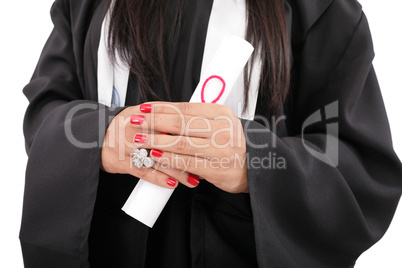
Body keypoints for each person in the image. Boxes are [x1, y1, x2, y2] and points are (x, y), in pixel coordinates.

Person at [19, 0, 402, 267]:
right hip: (108, 251)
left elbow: (360, 170)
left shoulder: (321, 9)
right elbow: (46, 112)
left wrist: (254, 162)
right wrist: (101, 137)